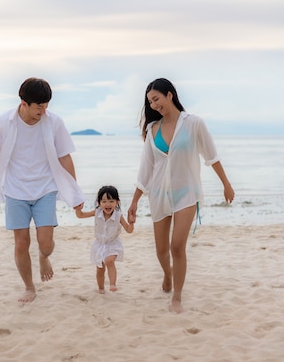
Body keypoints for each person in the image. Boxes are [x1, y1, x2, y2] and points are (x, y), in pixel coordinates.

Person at [127, 78, 234, 314]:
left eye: (156, 99)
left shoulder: (194, 124)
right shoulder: (152, 129)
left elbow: (211, 156)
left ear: (169, 95)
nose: (154, 106)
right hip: (158, 195)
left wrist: (226, 184)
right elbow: (146, 169)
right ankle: (167, 274)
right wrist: (135, 200)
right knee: (161, 250)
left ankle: (177, 296)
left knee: (177, 247)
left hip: (187, 193)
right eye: (150, 102)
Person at [0, 77, 85, 303]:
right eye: (39, 106)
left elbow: (64, 156)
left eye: (46, 105)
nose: (43, 110)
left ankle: (44, 257)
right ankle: (29, 287)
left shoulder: (54, 122)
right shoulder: (3, 122)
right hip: (15, 190)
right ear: (24, 103)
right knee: (21, 242)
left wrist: (74, 191)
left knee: (46, 243)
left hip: (45, 188)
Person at [75, 185, 134, 293]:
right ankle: (101, 288)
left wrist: (131, 222)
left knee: (109, 261)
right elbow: (81, 215)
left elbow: (129, 230)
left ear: (117, 202)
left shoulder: (118, 216)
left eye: (111, 201)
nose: (108, 204)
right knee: (100, 269)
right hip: (99, 244)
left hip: (113, 243)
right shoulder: (97, 212)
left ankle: (112, 284)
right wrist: (78, 209)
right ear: (99, 203)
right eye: (104, 201)